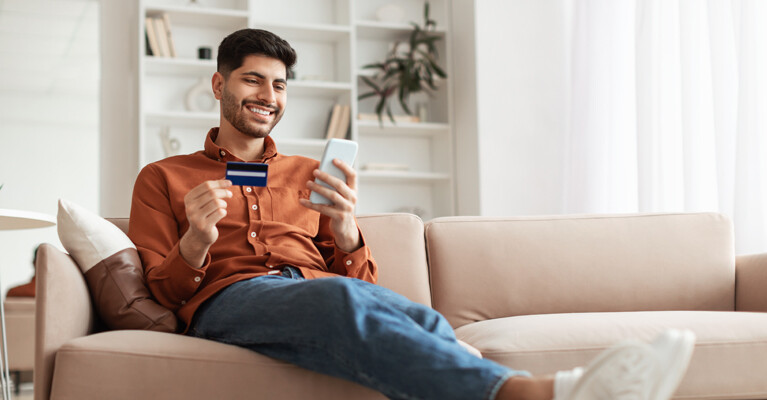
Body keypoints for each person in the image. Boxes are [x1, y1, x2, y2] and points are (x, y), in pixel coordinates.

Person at [128, 28, 696, 400]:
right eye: (253, 79)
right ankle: (535, 393)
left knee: (425, 321)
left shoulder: (309, 173)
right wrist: (196, 241)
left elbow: (362, 283)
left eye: (279, 85)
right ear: (219, 83)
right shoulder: (163, 177)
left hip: (315, 289)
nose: (268, 95)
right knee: (341, 300)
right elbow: (164, 293)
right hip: (230, 299)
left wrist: (349, 234)